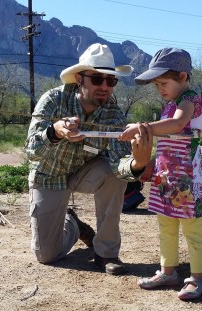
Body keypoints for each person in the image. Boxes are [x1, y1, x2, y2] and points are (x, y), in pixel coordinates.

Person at [25, 43, 153, 275]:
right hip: (49, 176)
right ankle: (73, 225)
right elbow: (31, 151)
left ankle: (106, 252)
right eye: (97, 79)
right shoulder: (53, 100)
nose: (105, 86)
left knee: (113, 175)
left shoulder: (113, 112)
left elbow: (118, 162)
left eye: (111, 81)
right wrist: (54, 131)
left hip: (85, 173)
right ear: (79, 79)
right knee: (46, 255)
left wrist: (138, 163)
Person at [119, 48, 202, 300]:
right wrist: (150, 163)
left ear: (182, 76)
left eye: (163, 82)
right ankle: (168, 271)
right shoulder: (170, 104)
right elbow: (165, 139)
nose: (159, 88)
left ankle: (197, 278)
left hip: (187, 175)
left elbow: (177, 125)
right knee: (167, 224)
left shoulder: (190, 99)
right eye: (156, 84)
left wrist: (143, 127)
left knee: (193, 227)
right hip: (166, 174)